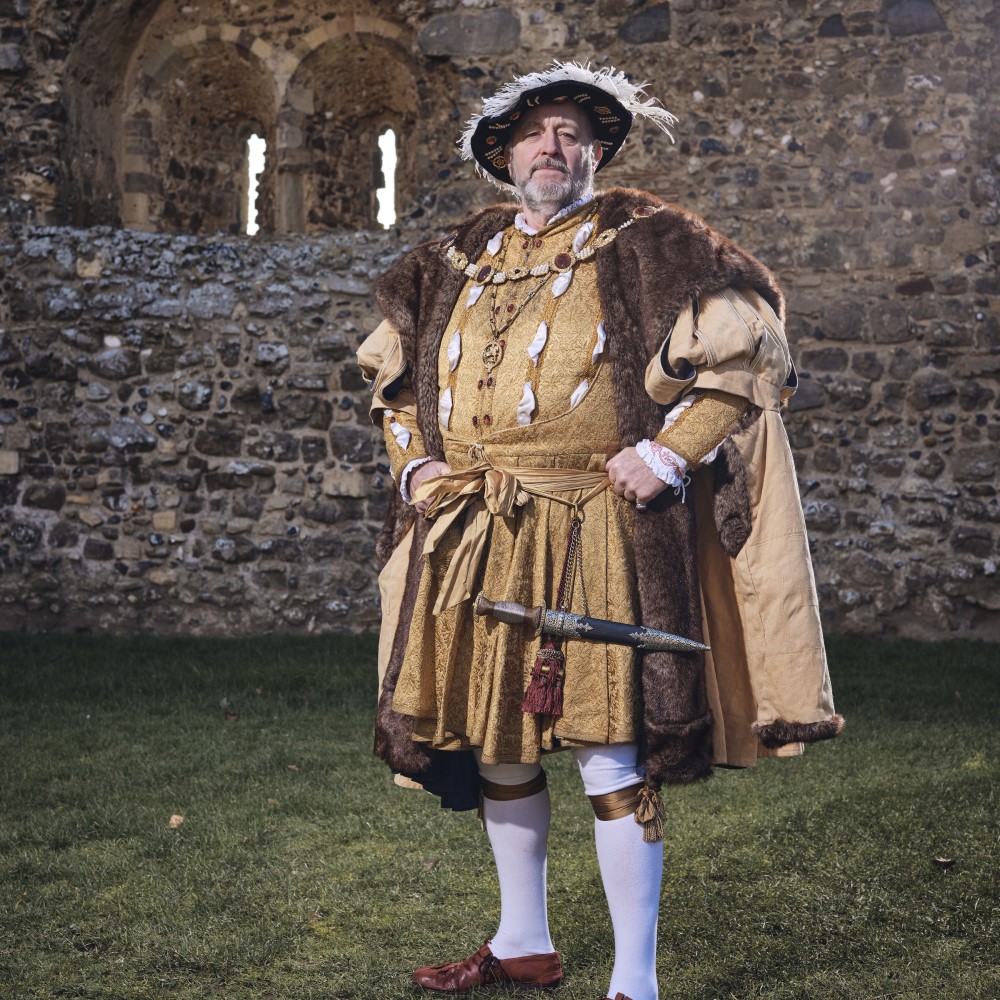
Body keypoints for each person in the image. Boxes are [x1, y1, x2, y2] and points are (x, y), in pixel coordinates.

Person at [357, 62, 843, 1000]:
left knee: (609, 749)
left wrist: (670, 454)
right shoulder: (452, 254)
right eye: (536, 132)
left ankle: (634, 981)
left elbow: (749, 351)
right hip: (477, 527)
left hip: (600, 529)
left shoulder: (653, 241)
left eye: (574, 133)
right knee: (499, 741)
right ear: (502, 153)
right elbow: (395, 384)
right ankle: (523, 944)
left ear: (596, 153)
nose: (554, 146)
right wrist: (413, 462)